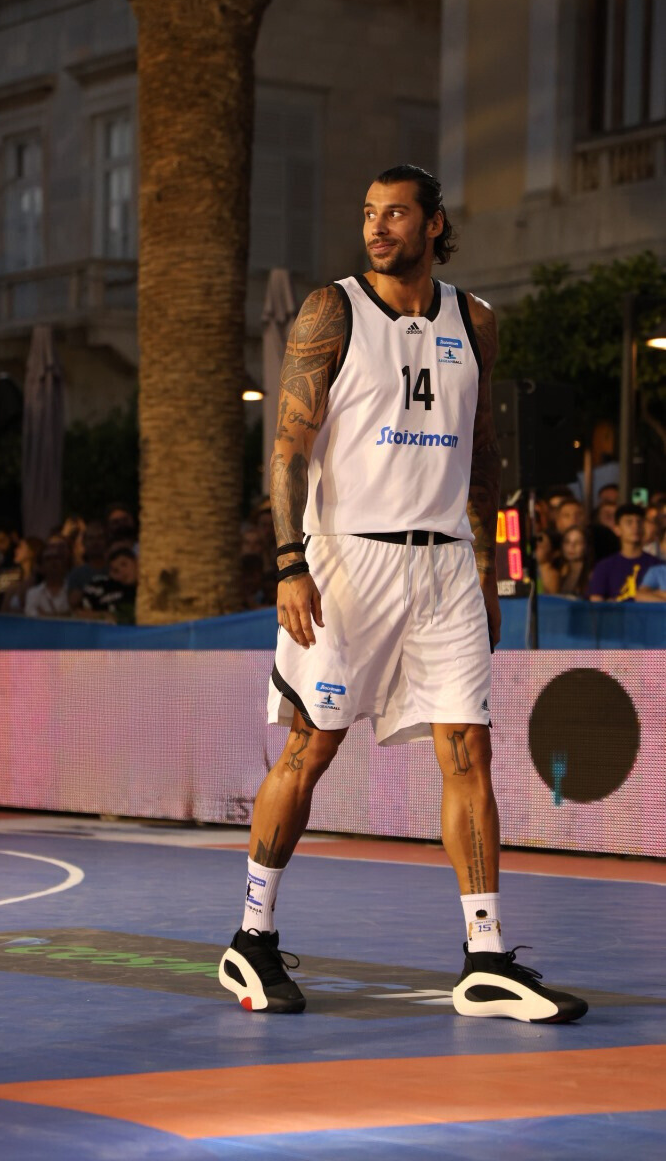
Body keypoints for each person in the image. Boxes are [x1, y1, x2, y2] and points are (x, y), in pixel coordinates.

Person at [218, 164, 587, 1025]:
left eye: (394, 213)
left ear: (434, 224)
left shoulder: (475, 320)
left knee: (468, 751)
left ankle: (485, 959)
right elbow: (288, 447)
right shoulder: (333, 310)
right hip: (346, 563)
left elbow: (482, 451)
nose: (377, 227)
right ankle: (250, 938)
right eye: (368, 213)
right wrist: (288, 562)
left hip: (446, 564)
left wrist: (487, 569)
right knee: (310, 748)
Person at [588, 504, 663, 601]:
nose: (635, 526)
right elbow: (596, 603)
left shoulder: (657, 566)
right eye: (629, 522)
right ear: (617, 529)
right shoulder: (604, 566)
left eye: (639, 522)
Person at [24, 538, 71, 617]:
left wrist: (46, 615)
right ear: (41, 567)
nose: (53, 562)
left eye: (57, 558)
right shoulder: (33, 594)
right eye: (48, 559)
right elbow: (33, 619)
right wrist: (64, 614)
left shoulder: (73, 590)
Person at [539, 525, 591, 598]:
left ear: (586, 546)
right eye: (567, 542)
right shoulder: (559, 573)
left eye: (578, 542)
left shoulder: (591, 576)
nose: (571, 546)